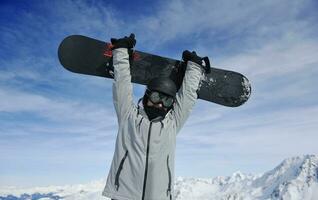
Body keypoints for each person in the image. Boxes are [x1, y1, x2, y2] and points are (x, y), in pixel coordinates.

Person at [102, 34, 208, 200]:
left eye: (166, 100)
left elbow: (186, 98)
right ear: (147, 96)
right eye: (157, 97)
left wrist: (194, 68)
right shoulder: (128, 116)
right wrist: (121, 52)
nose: (160, 104)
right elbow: (122, 84)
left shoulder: (172, 124)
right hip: (123, 195)